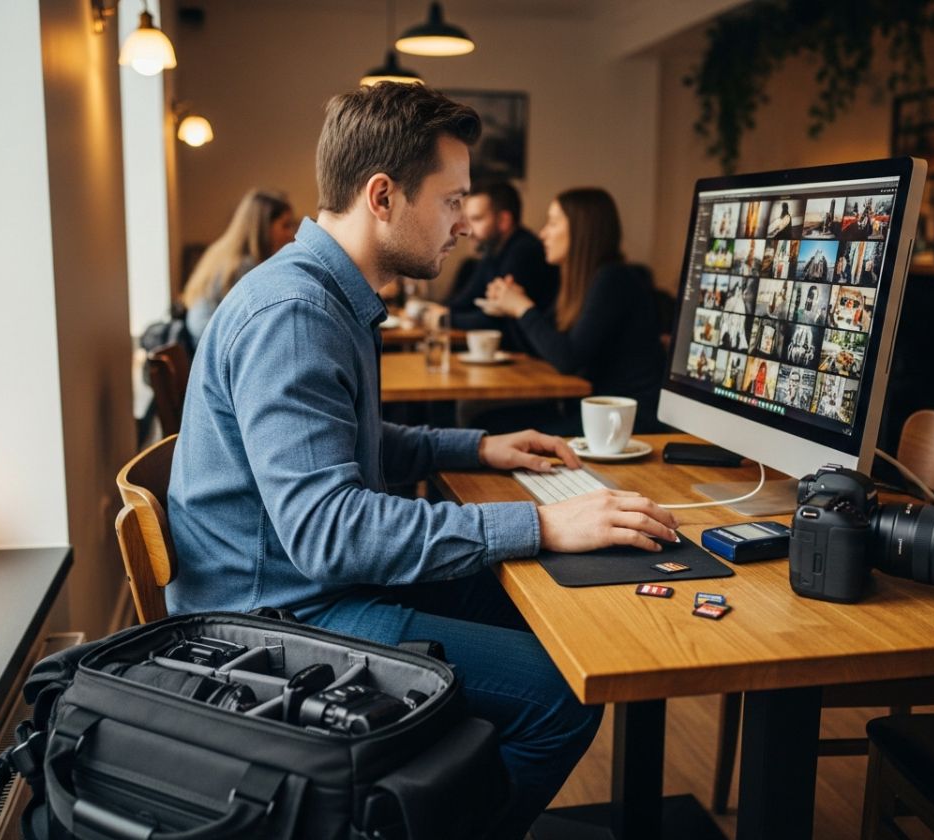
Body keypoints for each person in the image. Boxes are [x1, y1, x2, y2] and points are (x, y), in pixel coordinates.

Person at [166, 83, 680, 840]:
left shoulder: (323, 295)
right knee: (562, 694)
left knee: (550, 606)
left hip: (301, 586)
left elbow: (357, 443)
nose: (468, 226)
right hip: (278, 621)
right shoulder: (297, 317)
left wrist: (478, 447)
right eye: (452, 202)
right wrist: (539, 523)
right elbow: (328, 531)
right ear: (383, 196)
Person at [479, 188, 669, 434]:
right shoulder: (580, 282)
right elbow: (541, 350)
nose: (543, 233)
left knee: (488, 428)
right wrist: (511, 310)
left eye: (553, 223)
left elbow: (568, 359)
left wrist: (522, 308)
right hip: (595, 410)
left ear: (582, 231)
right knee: (483, 424)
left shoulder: (614, 279)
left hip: (624, 419)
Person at [182, 189, 297, 348]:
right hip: (217, 353)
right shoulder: (245, 269)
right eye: (285, 225)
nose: (292, 234)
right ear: (263, 227)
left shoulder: (221, 254)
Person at [445, 181, 558, 337]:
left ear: (504, 221)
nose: (468, 229)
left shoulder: (525, 251)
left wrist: (442, 318)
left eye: (477, 219)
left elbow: (496, 321)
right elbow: (462, 302)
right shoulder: (492, 251)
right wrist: (436, 313)